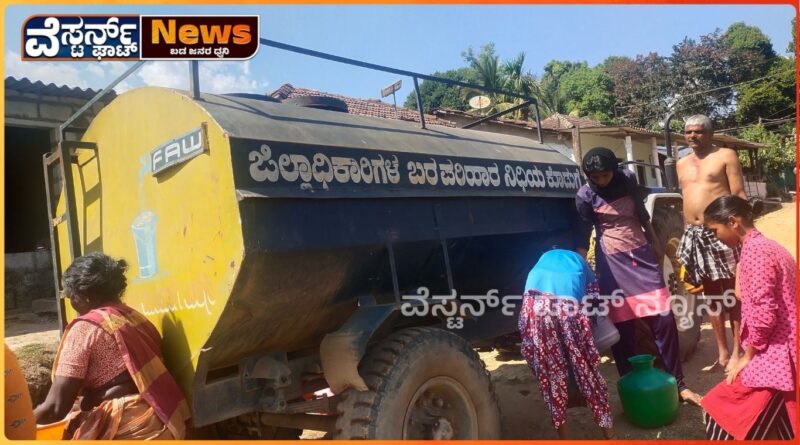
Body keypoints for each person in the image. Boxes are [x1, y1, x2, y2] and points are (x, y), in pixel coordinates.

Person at [575, 147, 702, 406]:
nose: (601, 180)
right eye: (595, 177)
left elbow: (642, 215)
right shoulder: (585, 194)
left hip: (641, 254)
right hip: (611, 261)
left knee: (663, 319)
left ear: (614, 169)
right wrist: (579, 266)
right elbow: (583, 231)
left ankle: (678, 383)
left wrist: (655, 242)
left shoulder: (629, 179)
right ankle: (630, 386)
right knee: (622, 326)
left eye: (605, 175)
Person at [33, 252, 191, 439]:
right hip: (162, 420)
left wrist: (16, 424)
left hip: (126, 428)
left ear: (87, 296)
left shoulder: (85, 329)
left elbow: (54, 409)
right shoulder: (134, 317)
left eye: (70, 296)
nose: (72, 303)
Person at [700, 195, 796, 439]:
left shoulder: (756, 252)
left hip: (775, 354)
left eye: (715, 230)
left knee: (720, 415)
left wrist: (748, 356)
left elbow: (765, 315)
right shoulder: (766, 248)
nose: (716, 238)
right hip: (783, 350)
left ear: (733, 222)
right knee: (784, 420)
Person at [518, 249, 614, 440]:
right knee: (587, 372)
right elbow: (594, 304)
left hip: (535, 309)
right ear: (582, 252)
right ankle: (610, 436)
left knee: (552, 374)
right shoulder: (582, 262)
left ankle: (564, 437)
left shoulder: (543, 258)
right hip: (566, 307)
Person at [676, 114, 747, 373]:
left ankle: (739, 351)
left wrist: (743, 233)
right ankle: (723, 354)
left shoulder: (726, 156)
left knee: (733, 294)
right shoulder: (681, 163)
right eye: (688, 132)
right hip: (695, 234)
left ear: (710, 133)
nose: (693, 136)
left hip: (723, 232)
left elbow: (738, 195)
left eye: (699, 131)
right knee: (712, 297)